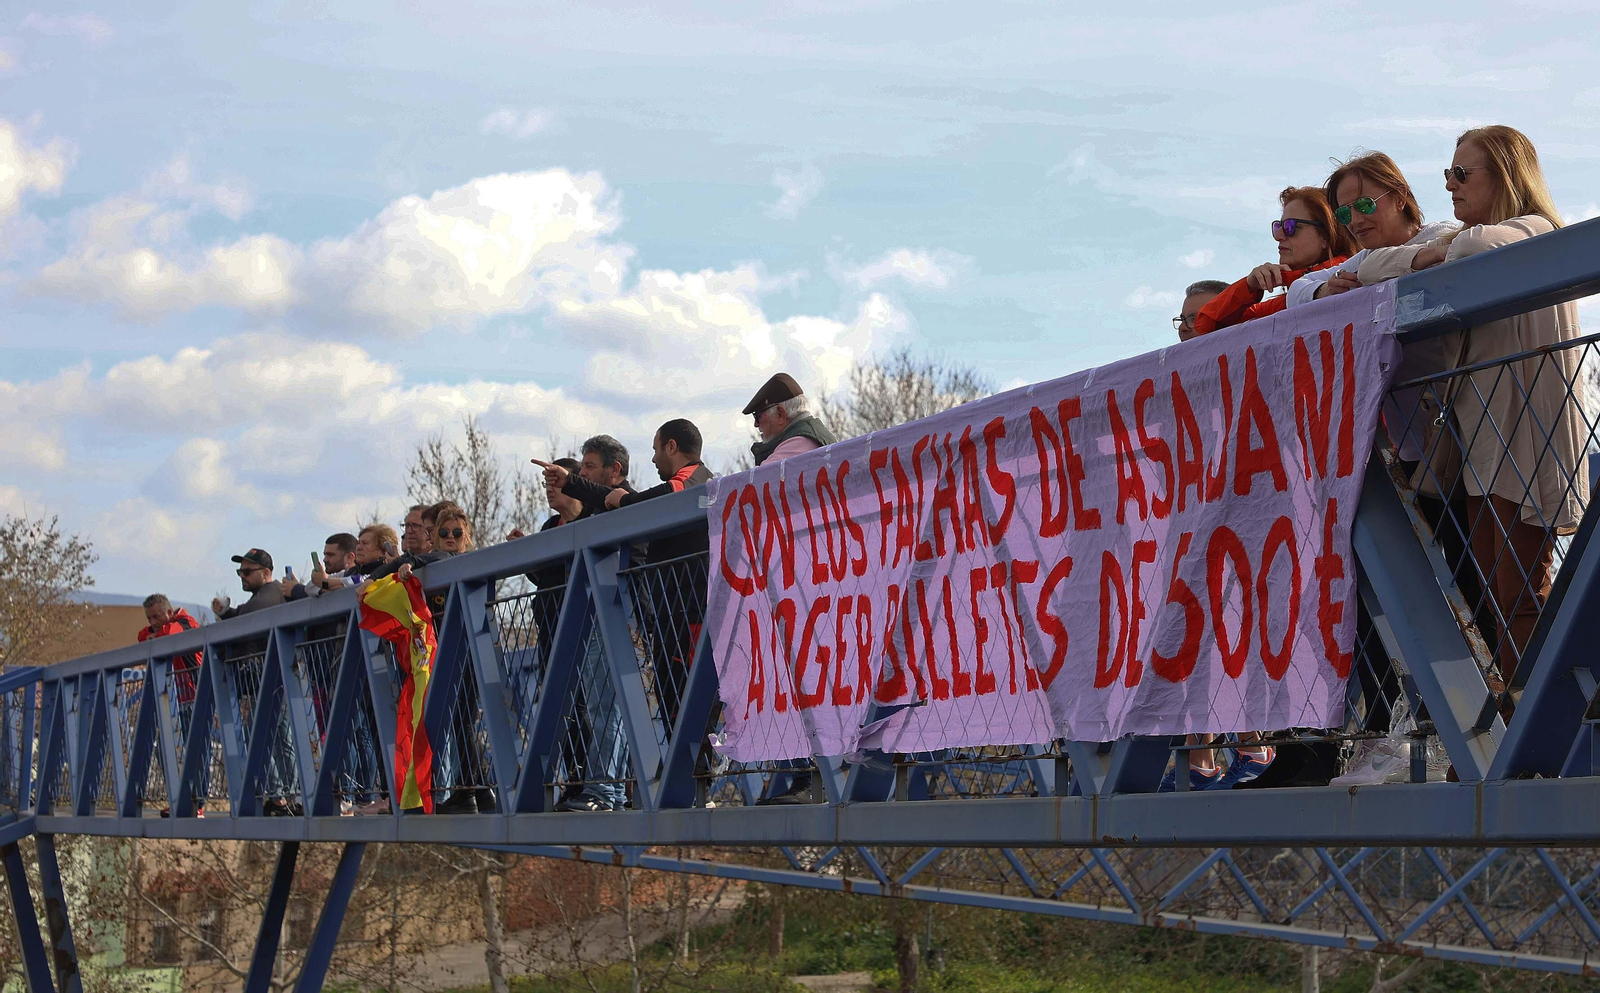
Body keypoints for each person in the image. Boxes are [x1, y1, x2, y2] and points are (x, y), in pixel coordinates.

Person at [1354, 126, 1588, 704]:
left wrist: (1434, 251)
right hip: (1489, 435)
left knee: (1520, 584)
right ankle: (1522, 705)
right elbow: (1366, 268)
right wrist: (1424, 254)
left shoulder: (1531, 230)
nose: (1451, 185)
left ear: (1504, 176)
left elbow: (1476, 250)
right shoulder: (1472, 237)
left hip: (1528, 430)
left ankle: (1539, 711)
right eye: (1448, 174)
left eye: (1464, 173)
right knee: (1494, 582)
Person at [1285, 151, 1459, 308]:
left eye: (1365, 205)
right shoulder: (1365, 259)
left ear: (1399, 197)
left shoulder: (1445, 235)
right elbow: (1295, 292)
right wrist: (1324, 290)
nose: (1355, 221)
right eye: (1344, 213)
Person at [1192, 187, 1355, 335]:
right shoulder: (1285, 301)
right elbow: (1206, 326)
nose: (1278, 236)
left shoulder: (1355, 276)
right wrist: (1249, 286)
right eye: (1278, 226)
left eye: (1291, 227)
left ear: (1327, 235)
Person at [140, 594, 207, 816]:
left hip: (197, 697)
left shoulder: (187, 622)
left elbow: (171, 634)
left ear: (169, 613)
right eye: (149, 618)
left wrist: (156, 636)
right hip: (177, 700)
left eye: (157, 616)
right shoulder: (161, 627)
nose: (152, 623)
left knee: (197, 752)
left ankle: (197, 803)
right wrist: (155, 633)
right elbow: (142, 637)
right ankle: (179, 798)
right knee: (165, 751)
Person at [746, 373, 839, 465]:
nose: (756, 424)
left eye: (758, 416)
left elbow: (761, 477)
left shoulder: (800, 442)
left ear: (780, 414)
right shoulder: (808, 434)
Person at [280, 533, 357, 600]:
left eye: (331, 555)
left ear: (350, 557)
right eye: (325, 555)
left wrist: (295, 590)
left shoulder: (358, 576)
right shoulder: (341, 575)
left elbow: (345, 588)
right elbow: (310, 587)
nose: (325, 559)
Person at [212, 549, 285, 619]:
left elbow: (247, 612)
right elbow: (241, 613)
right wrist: (225, 611)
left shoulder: (268, 596)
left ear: (266, 573)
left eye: (247, 572)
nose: (242, 576)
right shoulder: (272, 592)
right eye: (240, 572)